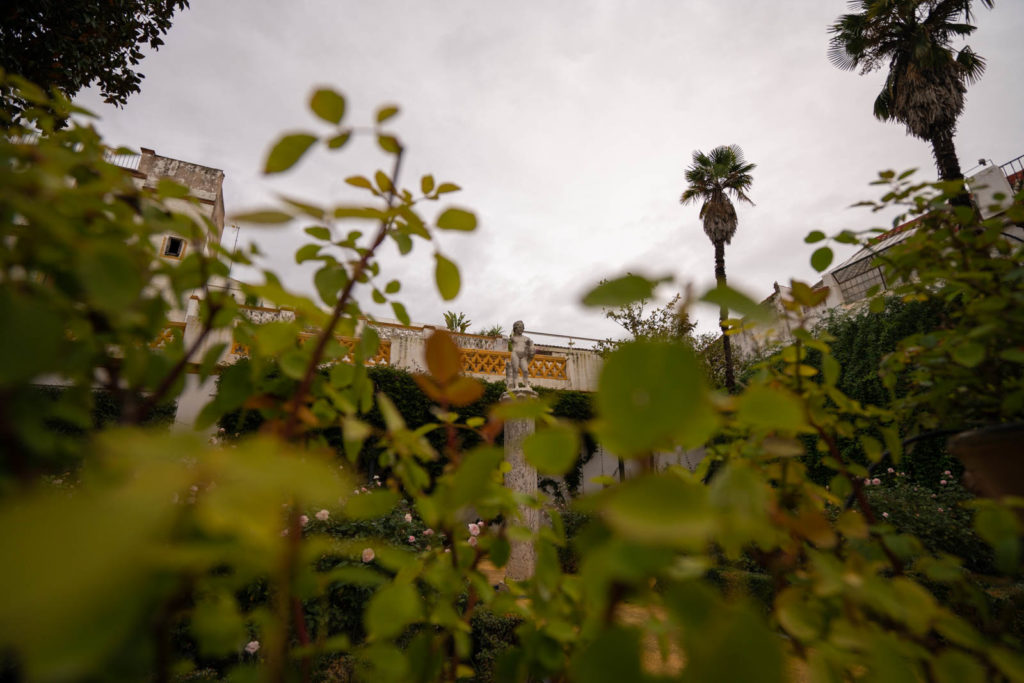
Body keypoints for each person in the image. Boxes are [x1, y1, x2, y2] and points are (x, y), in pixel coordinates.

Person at [508, 320, 534, 388]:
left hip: (523, 356)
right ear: (515, 328)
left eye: (522, 327)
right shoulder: (513, 338)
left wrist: (531, 347)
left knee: (525, 370)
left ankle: (526, 385)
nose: (521, 329)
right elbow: (510, 336)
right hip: (515, 354)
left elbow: (531, 344)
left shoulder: (526, 338)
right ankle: (516, 385)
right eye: (519, 327)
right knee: (515, 370)